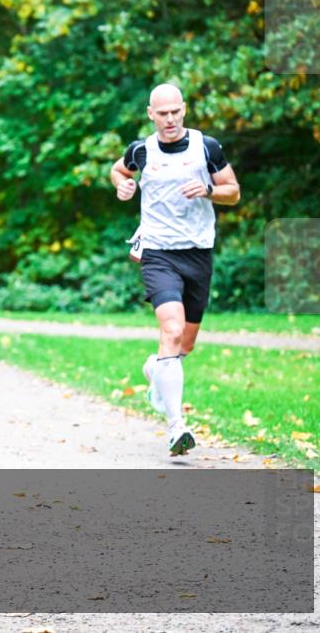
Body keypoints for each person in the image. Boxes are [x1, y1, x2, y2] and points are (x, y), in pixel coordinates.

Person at [109, 83, 240, 457]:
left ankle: (156, 369)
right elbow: (118, 171)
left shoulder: (207, 147)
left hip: (198, 253)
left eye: (175, 112)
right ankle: (176, 428)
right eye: (161, 113)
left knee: (185, 345)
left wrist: (208, 190)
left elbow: (233, 190)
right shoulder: (141, 150)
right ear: (151, 114)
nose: (169, 119)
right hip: (158, 253)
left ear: (184, 110)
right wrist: (123, 185)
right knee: (171, 329)